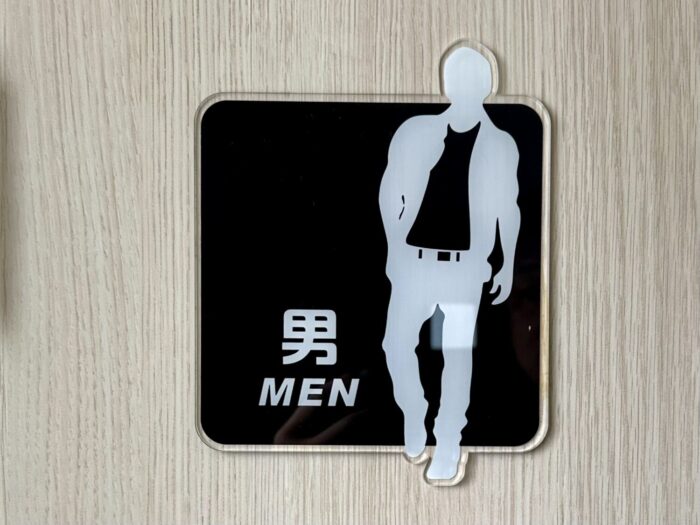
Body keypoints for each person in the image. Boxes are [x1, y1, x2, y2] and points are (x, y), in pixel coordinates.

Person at [378, 44, 520, 480]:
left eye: (473, 80)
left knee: (455, 356)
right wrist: (393, 247)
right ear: (447, 84)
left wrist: (508, 263)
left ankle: (448, 442)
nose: (464, 87)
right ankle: (414, 411)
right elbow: (390, 192)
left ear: (487, 85)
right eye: (457, 79)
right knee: (395, 345)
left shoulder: (499, 145)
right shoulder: (417, 131)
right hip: (415, 264)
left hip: (463, 271)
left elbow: (508, 207)